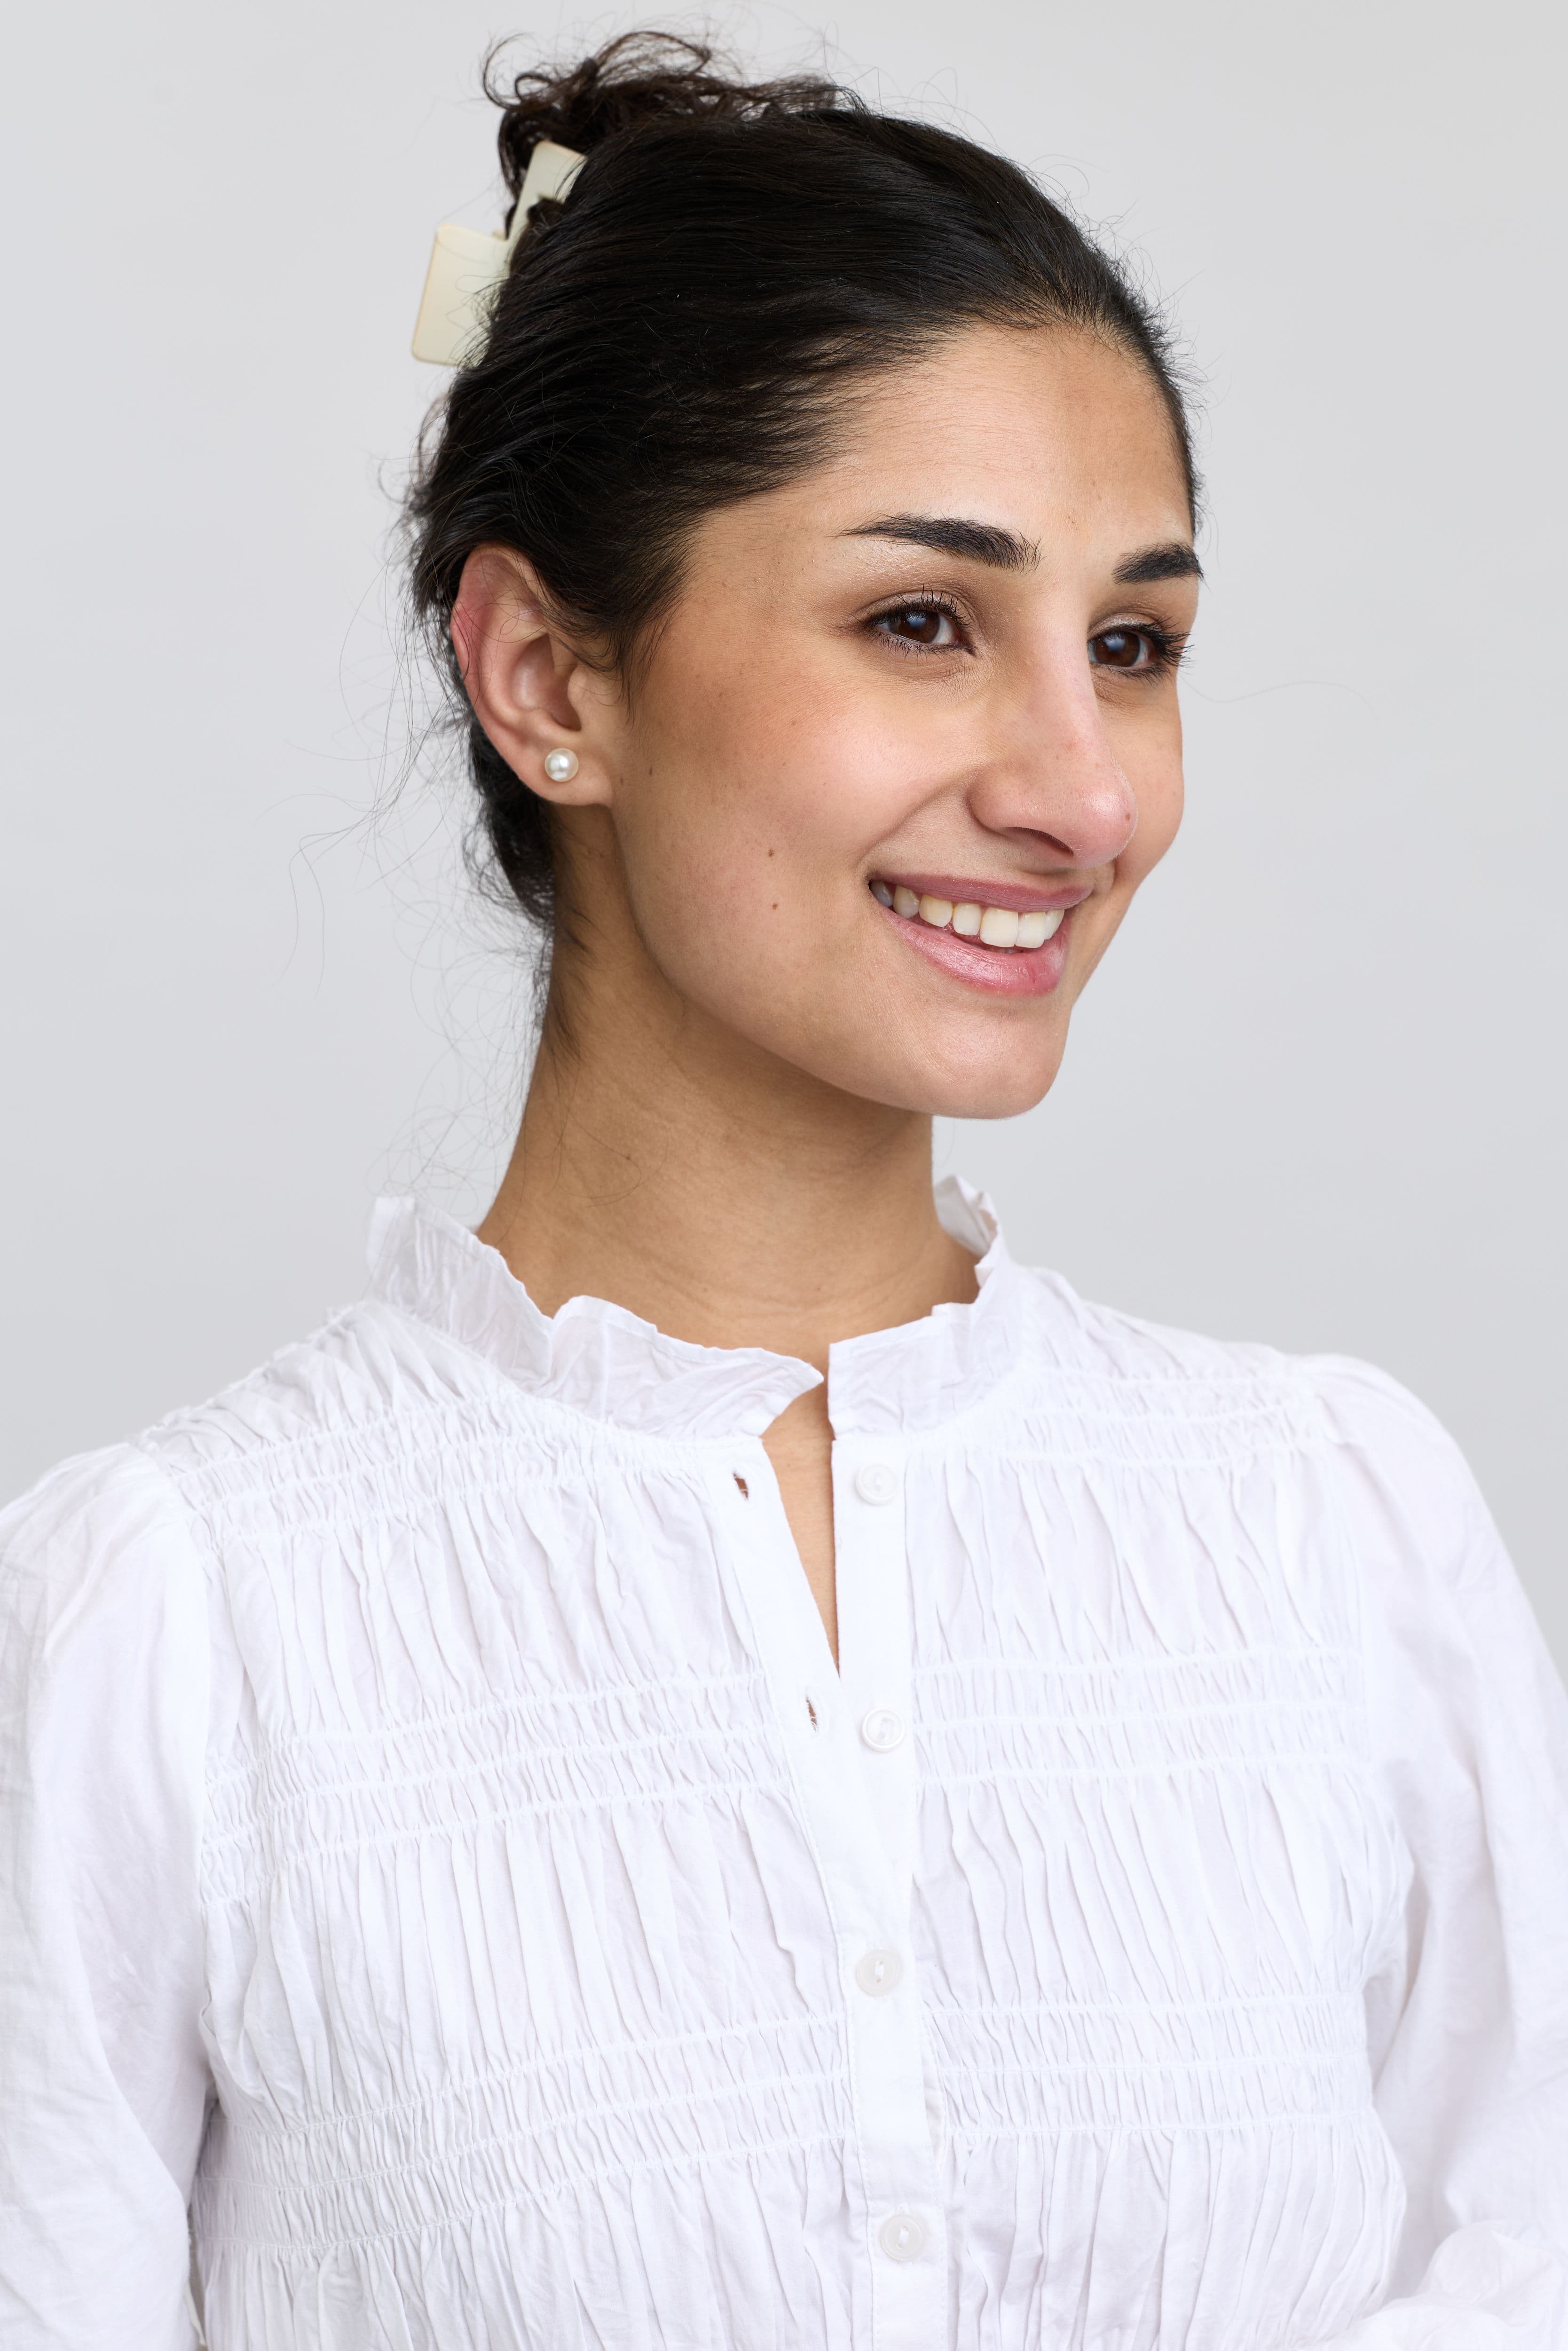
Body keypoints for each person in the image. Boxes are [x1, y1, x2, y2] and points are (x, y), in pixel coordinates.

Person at [2, 30, 1565, 2351]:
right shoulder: (171, 1624)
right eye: (924, 620)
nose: (1087, 793)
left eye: (1134, 647)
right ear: (551, 674)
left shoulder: (1342, 1538)